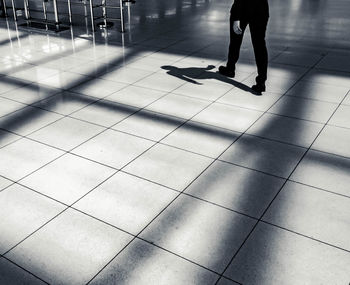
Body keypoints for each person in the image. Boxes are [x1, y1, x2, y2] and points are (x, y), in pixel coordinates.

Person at [219, 0, 269, 93]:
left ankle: (230, 68)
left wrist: (236, 17)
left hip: (243, 9)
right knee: (260, 46)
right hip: (261, 10)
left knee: (235, 41)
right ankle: (261, 82)